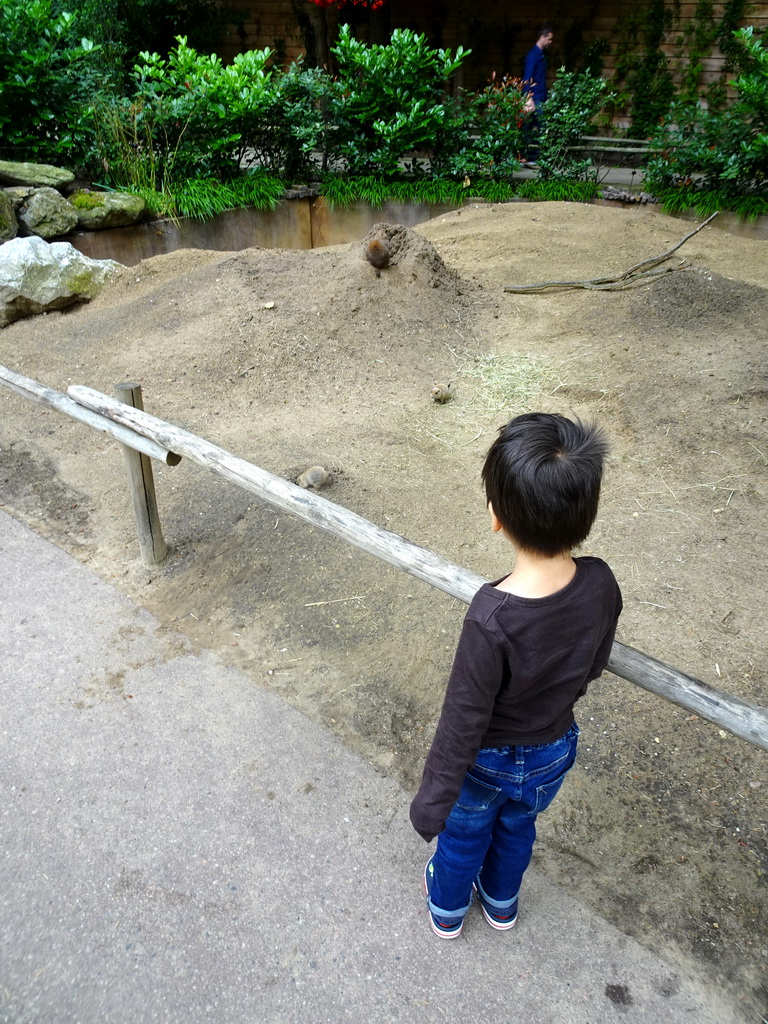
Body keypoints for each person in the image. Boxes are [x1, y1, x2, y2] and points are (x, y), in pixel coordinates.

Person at [410, 412, 623, 939]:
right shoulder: (600, 583)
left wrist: (431, 803)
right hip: (553, 750)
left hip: (486, 762)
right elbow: (593, 663)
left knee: (463, 836)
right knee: (517, 828)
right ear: (587, 513)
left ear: (496, 516)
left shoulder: (491, 617)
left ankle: (448, 910)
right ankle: (502, 902)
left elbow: (462, 721)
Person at [522, 25, 554, 165]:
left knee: (535, 127)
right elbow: (527, 77)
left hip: (540, 97)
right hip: (534, 98)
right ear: (543, 36)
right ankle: (528, 157)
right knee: (533, 127)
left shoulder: (541, 56)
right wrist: (528, 98)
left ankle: (528, 157)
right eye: (549, 38)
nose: (550, 42)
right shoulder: (533, 55)